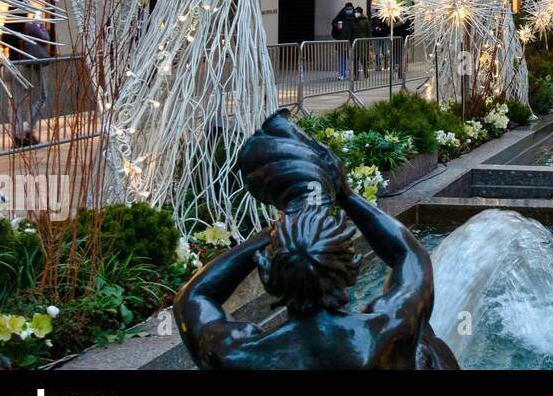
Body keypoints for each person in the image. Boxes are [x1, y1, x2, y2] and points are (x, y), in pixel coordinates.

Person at [174, 136, 458, 370]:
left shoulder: (239, 356)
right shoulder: (389, 331)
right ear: (354, 264)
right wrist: (346, 194)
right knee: (427, 348)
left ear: (265, 272)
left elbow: (193, 297)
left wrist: (275, 232)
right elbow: (409, 255)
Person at [1, 14, 50, 148]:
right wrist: (42, 26)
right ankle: (27, 130)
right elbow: (46, 39)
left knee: (16, 105)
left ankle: (18, 136)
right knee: (40, 98)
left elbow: (3, 44)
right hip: (25, 67)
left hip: (11, 66)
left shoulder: (7, 28)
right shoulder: (30, 26)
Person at [331, 3, 355, 80]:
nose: (349, 10)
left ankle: (352, 74)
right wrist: (337, 26)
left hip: (352, 41)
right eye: (347, 9)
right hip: (342, 40)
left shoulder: (355, 17)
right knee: (342, 59)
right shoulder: (341, 16)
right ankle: (342, 74)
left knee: (351, 58)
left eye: (350, 9)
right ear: (345, 9)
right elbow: (333, 22)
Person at [350, 6, 371, 80]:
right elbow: (351, 32)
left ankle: (366, 73)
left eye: (357, 12)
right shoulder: (353, 21)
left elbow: (369, 32)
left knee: (363, 59)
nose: (356, 13)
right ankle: (356, 75)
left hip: (363, 43)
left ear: (361, 13)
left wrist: (369, 43)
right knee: (355, 59)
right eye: (355, 12)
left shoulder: (365, 21)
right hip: (355, 43)